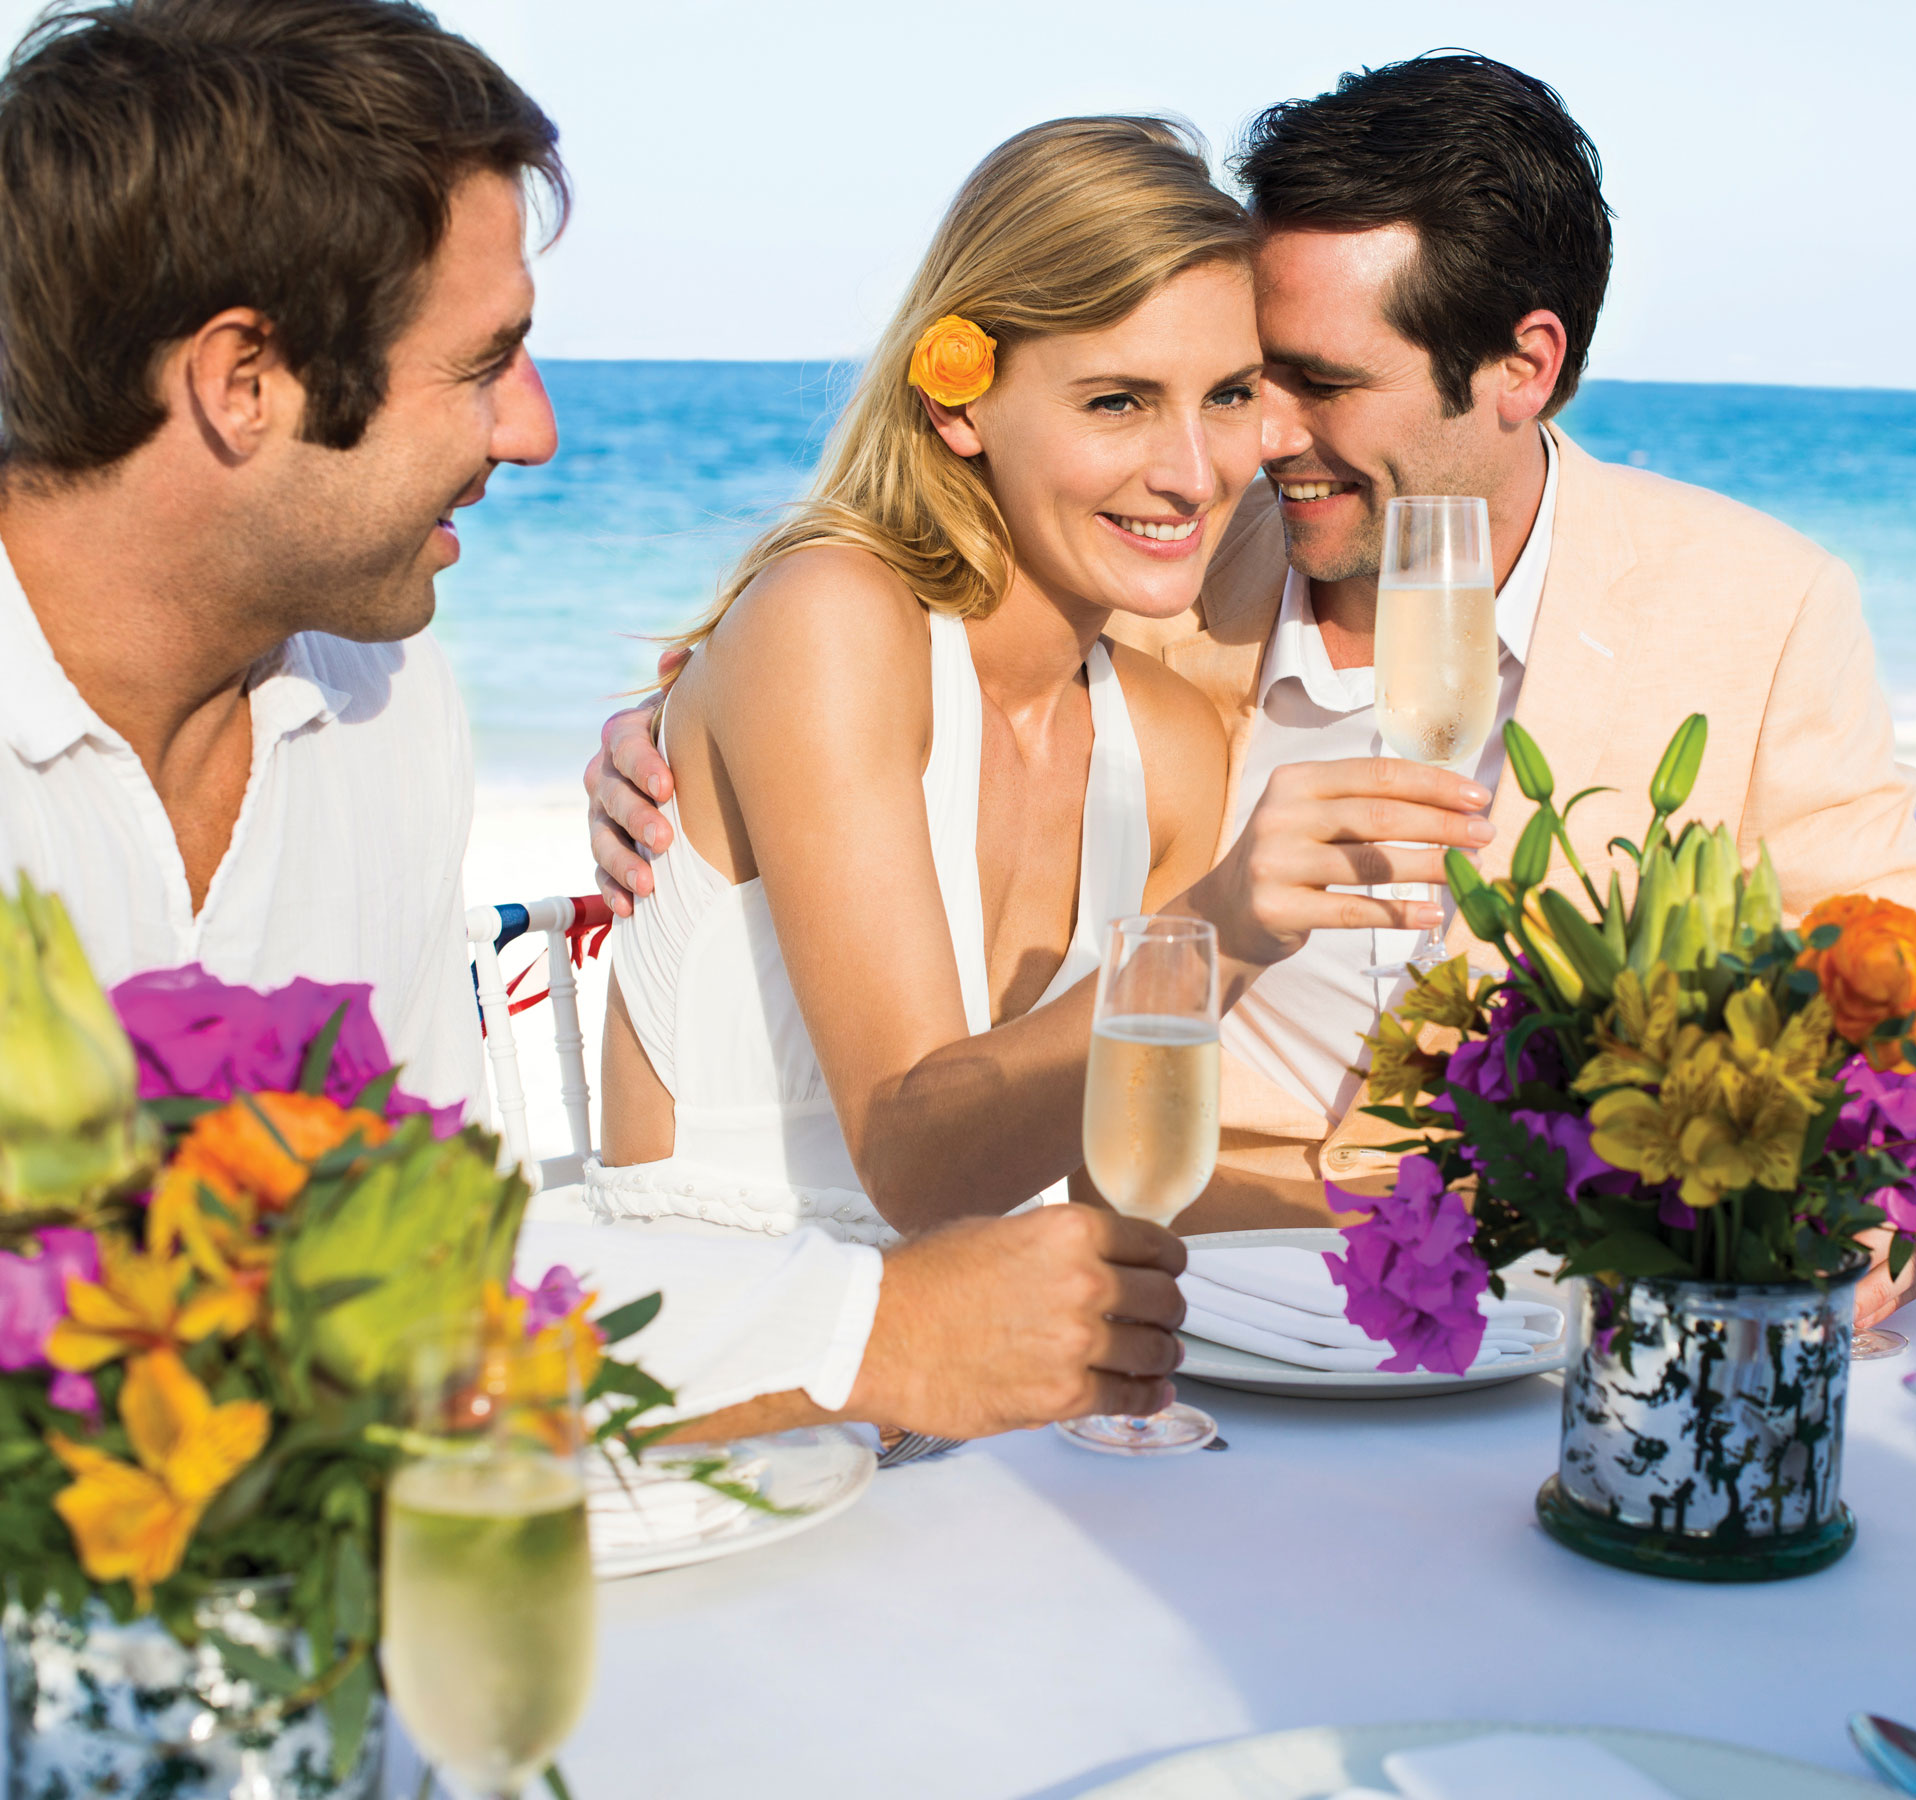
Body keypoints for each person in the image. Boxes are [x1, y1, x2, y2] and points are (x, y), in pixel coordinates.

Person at [589, 55, 1916, 1315]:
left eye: (1291, 384)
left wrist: (1810, 1282)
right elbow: (903, 655)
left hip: (1524, 1305)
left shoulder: (1756, 606)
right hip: (1167, 1304)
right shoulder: (1164, 583)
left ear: (1523, 367)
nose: (1245, 453)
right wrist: (694, 719)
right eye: (1250, 385)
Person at [0, 0, 1185, 1444]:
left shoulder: (378, 705)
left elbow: (436, 1267)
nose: (536, 430)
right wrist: (873, 1336)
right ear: (242, 384)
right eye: (485, 361)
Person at [591, 115, 1493, 1247]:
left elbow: (1115, 1193)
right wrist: (1221, 929)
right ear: (959, 400)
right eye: (1116, 401)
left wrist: (1467, 1235)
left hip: (984, 1393)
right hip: (716, 1375)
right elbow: (914, 1165)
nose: (1194, 474)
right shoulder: (830, 622)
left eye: (1226, 394)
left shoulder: (1165, 744)